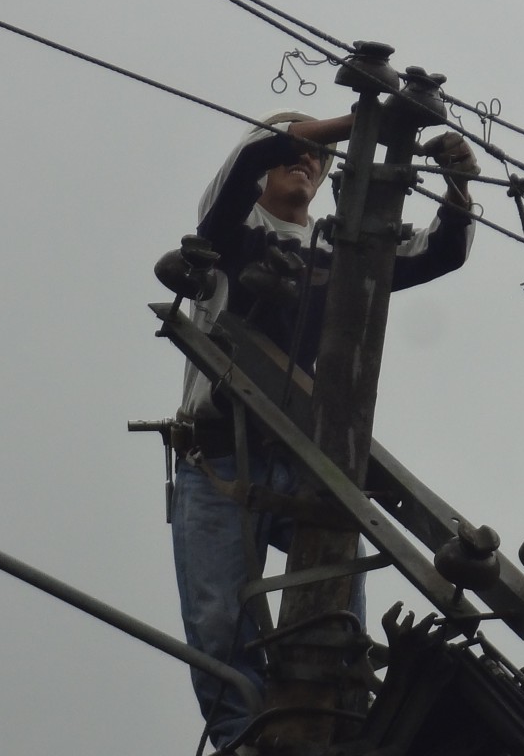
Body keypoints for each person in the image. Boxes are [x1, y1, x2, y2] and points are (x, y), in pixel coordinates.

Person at [170, 108, 479, 751]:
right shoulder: (231, 226)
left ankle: (339, 725)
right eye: (296, 146)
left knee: (333, 607)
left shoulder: (347, 249)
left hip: (307, 458)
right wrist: (364, 118)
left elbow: (441, 250)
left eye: (317, 160)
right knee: (218, 619)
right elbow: (256, 151)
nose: (306, 159)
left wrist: (456, 185)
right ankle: (243, 743)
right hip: (219, 460)